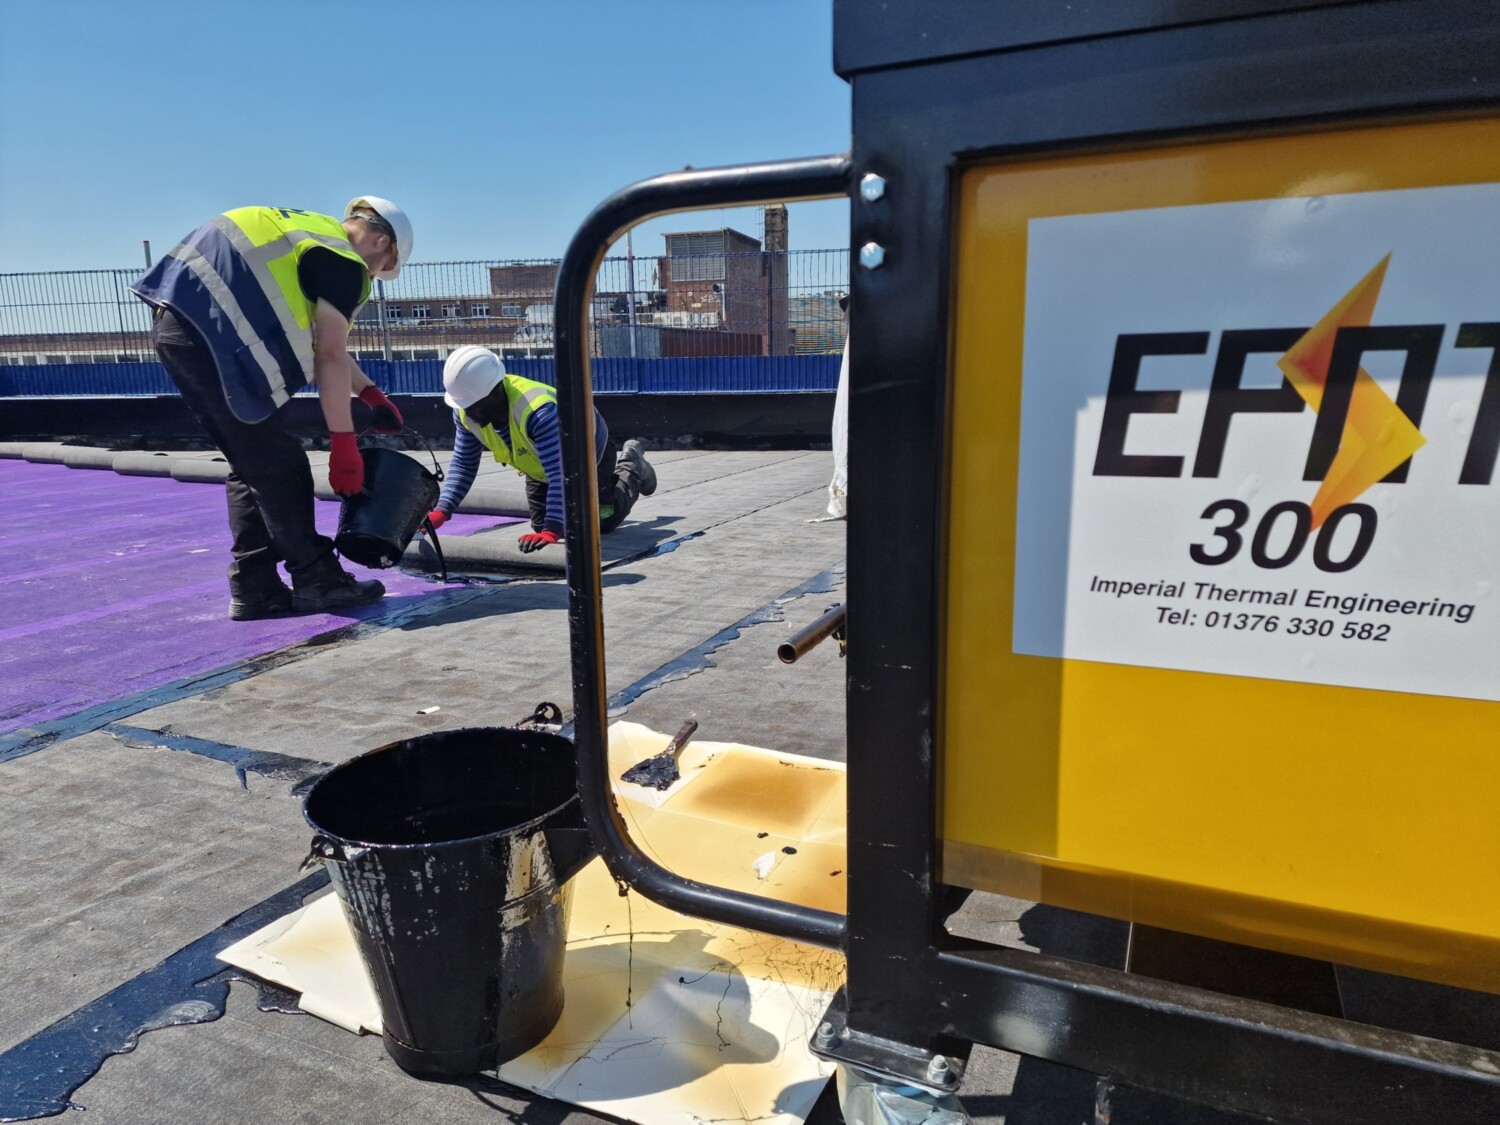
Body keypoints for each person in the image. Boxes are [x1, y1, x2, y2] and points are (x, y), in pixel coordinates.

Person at [130, 197, 414, 620]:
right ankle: (317, 578)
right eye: (383, 265)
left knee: (254, 462)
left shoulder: (304, 233)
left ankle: (256, 586)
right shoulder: (344, 259)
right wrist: (343, 445)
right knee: (280, 463)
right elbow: (330, 356)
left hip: (180, 326)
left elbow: (323, 343)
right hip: (213, 336)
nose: (375, 275)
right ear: (379, 240)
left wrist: (370, 393)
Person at [427, 345, 655, 551]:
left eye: (473, 406)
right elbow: (464, 463)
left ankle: (632, 467)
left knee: (601, 521)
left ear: (495, 392)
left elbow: (562, 474)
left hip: (585, 456)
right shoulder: (465, 410)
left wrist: (553, 530)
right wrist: (443, 510)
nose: (469, 414)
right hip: (540, 466)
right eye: (463, 406)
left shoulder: (539, 411)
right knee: (539, 527)